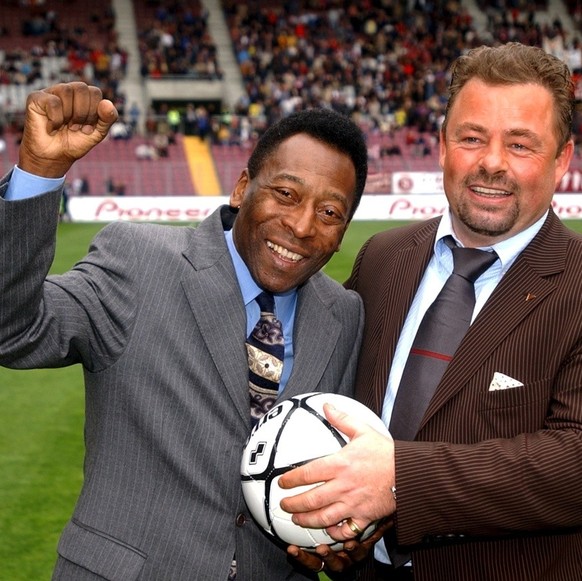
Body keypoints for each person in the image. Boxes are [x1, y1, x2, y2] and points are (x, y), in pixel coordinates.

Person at [0, 82, 369, 580]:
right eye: (285, 194)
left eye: (329, 213)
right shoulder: (137, 261)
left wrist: (340, 538)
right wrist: (40, 171)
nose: (303, 226)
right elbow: (14, 330)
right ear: (243, 188)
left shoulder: (344, 314)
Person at [279, 42, 582, 580]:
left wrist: (399, 479)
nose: (492, 162)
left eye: (520, 145)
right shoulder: (382, 258)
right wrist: (335, 525)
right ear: (442, 146)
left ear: (562, 159)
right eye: (472, 138)